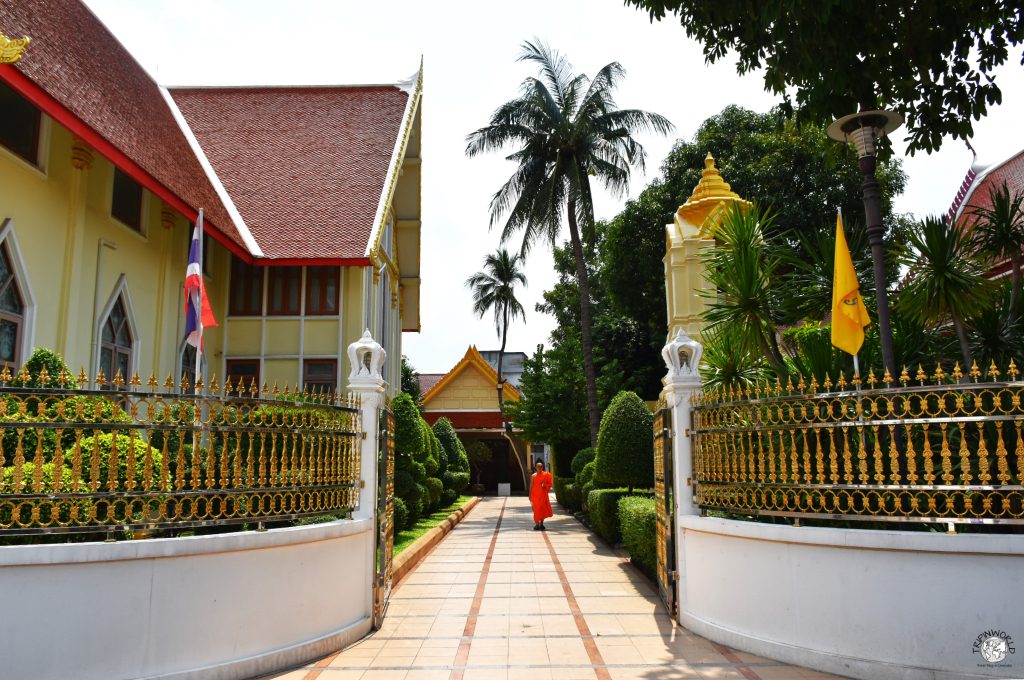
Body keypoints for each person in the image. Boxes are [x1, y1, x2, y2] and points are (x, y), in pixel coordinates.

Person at [529, 459, 553, 531]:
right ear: (536, 467)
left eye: (541, 466)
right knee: (536, 510)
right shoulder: (533, 476)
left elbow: (550, 484)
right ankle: (537, 524)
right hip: (535, 496)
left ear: (542, 467)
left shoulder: (546, 475)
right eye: (538, 466)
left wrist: (544, 485)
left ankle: (541, 524)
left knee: (542, 510)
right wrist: (529, 495)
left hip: (543, 495)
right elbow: (531, 486)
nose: (539, 468)